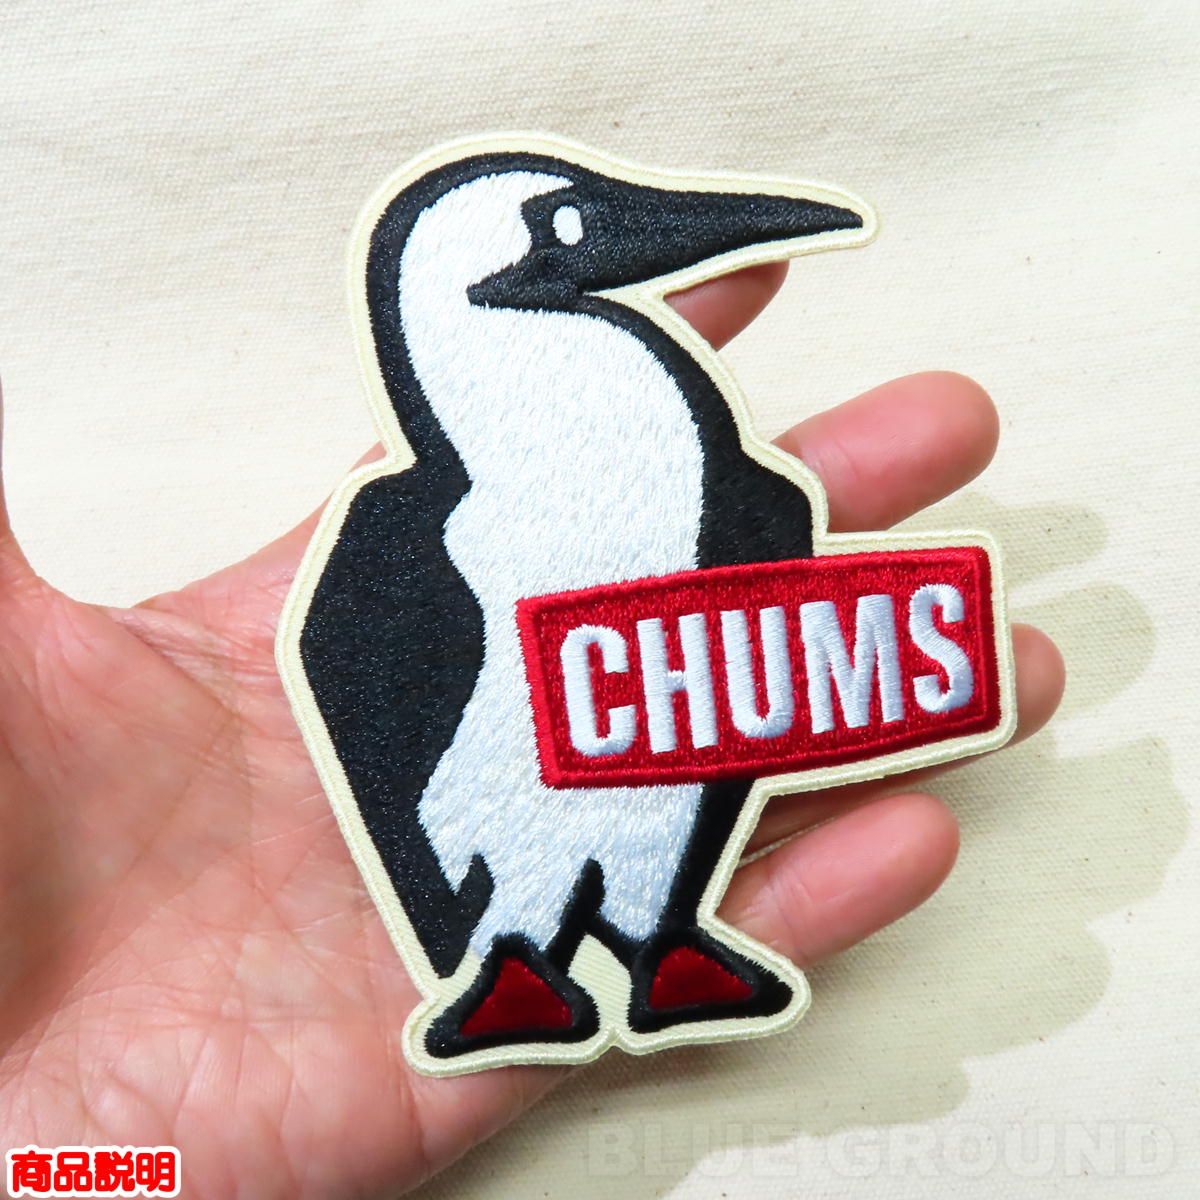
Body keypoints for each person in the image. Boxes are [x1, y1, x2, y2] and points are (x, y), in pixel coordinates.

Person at [0, 262, 1064, 1196]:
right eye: (554, 229)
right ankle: (508, 953)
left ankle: (658, 935)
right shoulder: (409, 520)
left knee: (698, 683)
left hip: (659, 801)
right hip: (471, 844)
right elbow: (376, 700)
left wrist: (62, 1166)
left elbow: (731, 686)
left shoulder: (723, 478)